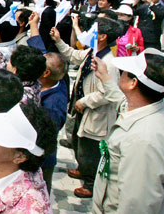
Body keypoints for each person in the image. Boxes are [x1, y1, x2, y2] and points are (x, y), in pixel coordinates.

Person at [91, 50, 164, 214]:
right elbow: (123, 103)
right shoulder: (151, 108)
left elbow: (137, 205)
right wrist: (104, 77)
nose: (121, 74)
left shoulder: (144, 140)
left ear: (133, 83)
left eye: (124, 72)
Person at [50, 17, 121, 198]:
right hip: (82, 108)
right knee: (79, 140)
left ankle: (91, 183)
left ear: (102, 36)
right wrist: (58, 40)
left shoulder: (109, 63)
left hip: (96, 112)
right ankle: (83, 169)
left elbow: (108, 93)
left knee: (91, 148)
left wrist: (85, 101)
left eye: (93, 31)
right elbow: (74, 55)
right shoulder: (93, 52)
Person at [39, 52, 69, 193]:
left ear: (46, 73)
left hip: (41, 159)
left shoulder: (53, 104)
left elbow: (46, 134)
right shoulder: (51, 83)